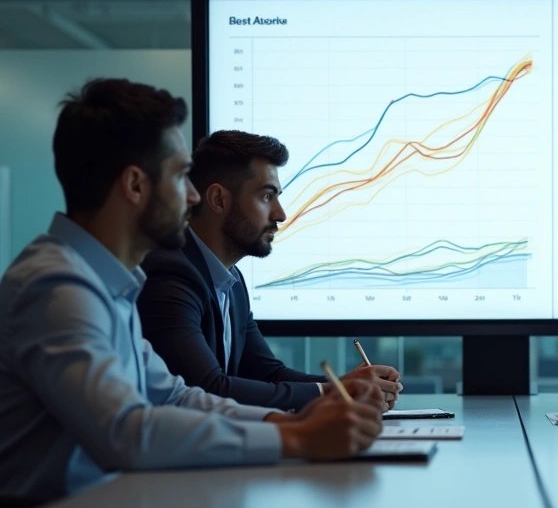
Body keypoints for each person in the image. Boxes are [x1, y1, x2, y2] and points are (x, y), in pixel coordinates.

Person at [0, 79, 384, 502]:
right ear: (134, 185)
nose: (192, 195)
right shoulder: (56, 287)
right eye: (181, 175)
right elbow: (126, 432)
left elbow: (178, 397)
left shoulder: (109, 284)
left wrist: (292, 423)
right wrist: (296, 441)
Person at [137, 130, 403, 412]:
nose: (280, 214)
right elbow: (208, 389)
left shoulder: (231, 280)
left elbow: (268, 374)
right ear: (218, 199)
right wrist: (335, 391)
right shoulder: (170, 273)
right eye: (267, 196)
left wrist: (349, 386)